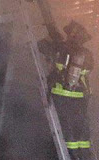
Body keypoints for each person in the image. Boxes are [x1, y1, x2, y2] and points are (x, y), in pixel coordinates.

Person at [40, 21, 94, 160]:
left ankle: (72, 156)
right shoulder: (87, 54)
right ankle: (85, 156)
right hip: (80, 97)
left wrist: (51, 38)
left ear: (70, 35)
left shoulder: (60, 47)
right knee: (80, 129)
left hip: (62, 95)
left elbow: (41, 46)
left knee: (67, 128)